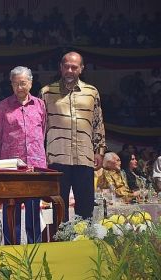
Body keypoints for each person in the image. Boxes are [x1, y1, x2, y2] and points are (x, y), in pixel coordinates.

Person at [40, 51, 106, 221]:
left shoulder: (92, 92)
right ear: (60, 68)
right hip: (56, 158)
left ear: (81, 69)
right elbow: (40, 126)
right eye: (66, 66)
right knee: (58, 206)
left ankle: (84, 242)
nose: (70, 70)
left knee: (85, 207)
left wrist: (99, 151)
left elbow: (98, 123)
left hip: (84, 157)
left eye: (74, 67)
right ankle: (61, 243)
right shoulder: (46, 92)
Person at [0, 66, 46, 244]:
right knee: (11, 210)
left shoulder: (40, 105)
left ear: (30, 83)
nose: (19, 87)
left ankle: (35, 246)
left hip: (34, 166)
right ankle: (11, 248)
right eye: (15, 84)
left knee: (33, 210)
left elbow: (43, 131)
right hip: (11, 167)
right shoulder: (3, 107)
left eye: (23, 83)